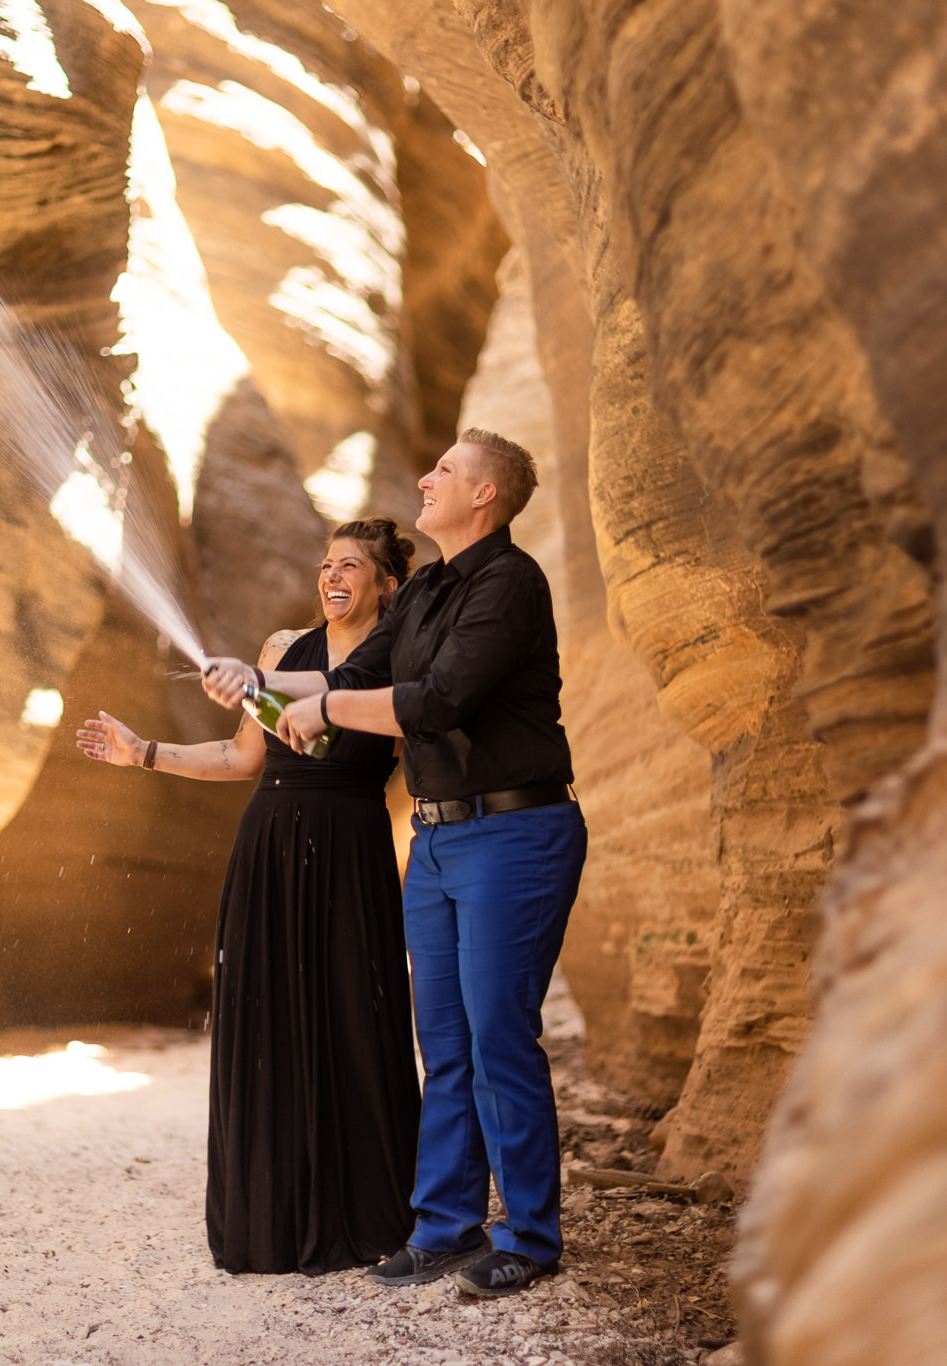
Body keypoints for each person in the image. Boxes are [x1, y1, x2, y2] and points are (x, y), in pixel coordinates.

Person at [200, 429, 585, 1299]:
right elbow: (352, 668)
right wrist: (249, 682)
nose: (426, 476)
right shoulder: (425, 594)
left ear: (484, 495)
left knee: (498, 1038)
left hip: (514, 834)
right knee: (443, 1044)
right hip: (442, 838)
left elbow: (436, 699)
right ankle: (447, 1226)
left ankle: (530, 1235)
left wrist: (327, 703)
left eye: (445, 470)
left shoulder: (509, 584)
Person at [76, 518, 423, 1275]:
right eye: (325, 563)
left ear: (385, 583)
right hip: (270, 846)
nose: (332, 576)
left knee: (356, 1023)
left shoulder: (400, 652)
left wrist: (273, 690)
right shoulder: (277, 648)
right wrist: (144, 755)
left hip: (352, 849)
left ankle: (371, 1215)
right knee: (266, 1022)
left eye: (352, 566)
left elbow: (372, 727)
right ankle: (271, 1217)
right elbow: (242, 756)